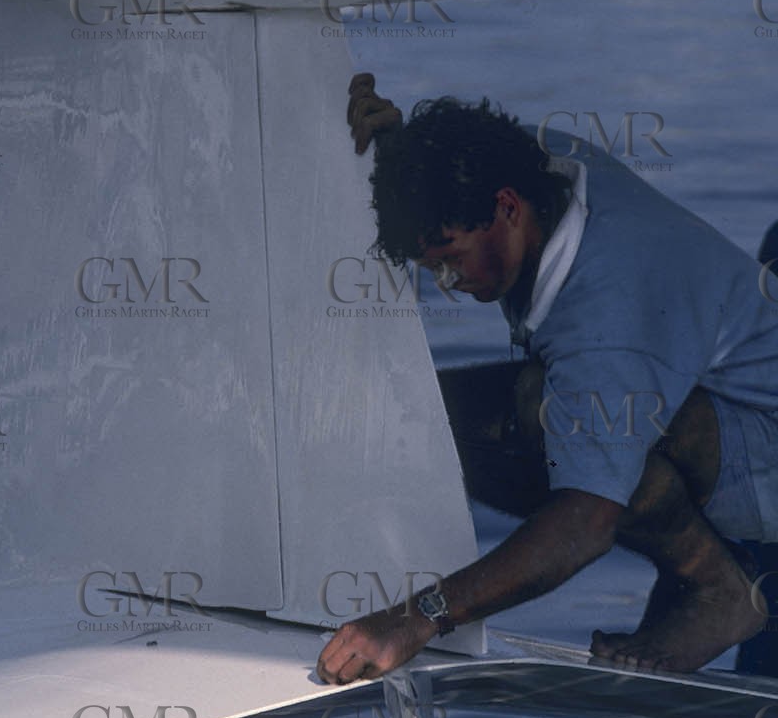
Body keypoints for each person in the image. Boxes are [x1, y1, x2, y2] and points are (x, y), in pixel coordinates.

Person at [316, 74, 778, 685]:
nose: (449, 285)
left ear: (507, 207)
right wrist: (402, 149)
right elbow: (470, 152)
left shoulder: (607, 319)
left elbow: (585, 525)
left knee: (543, 409)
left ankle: (716, 588)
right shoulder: (545, 162)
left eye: (451, 260)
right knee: (437, 417)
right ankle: (704, 560)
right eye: (433, 269)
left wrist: (416, 619)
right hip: (733, 397)